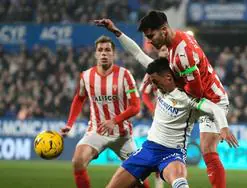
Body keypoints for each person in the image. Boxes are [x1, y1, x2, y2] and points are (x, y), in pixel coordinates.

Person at [94, 12, 234, 188]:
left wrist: (223, 126)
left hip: (212, 99)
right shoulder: (174, 46)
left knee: (207, 149)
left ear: (164, 30)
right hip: (159, 137)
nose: (150, 41)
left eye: (151, 36)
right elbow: (138, 54)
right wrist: (116, 32)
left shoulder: (183, 56)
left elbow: (197, 94)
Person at [105, 58, 238, 188]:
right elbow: (138, 54)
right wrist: (119, 34)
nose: (154, 86)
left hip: (172, 153)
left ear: (168, 77)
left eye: (155, 82)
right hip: (148, 149)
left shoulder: (187, 98)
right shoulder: (160, 82)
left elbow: (215, 108)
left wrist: (224, 128)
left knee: (179, 182)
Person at [60, 36, 148, 188]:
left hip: (122, 135)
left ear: (113, 54)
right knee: (78, 161)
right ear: (95, 54)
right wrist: (69, 124)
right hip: (97, 131)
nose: (104, 53)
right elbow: (79, 98)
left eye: (107, 50)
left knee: (139, 177)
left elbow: (136, 106)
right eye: (100, 50)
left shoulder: (125, 75)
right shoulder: (86, 76)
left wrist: (114, 121)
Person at [139, 46, 168, 188]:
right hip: (161, 117)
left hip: (179, 116)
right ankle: (159, 184)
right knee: (160, 149)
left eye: (168, 49)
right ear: (159, 52)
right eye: (163, 50)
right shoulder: (153, 69)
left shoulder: (177, 67)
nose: (166, 52)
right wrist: (152, 109)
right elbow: (144, 92)